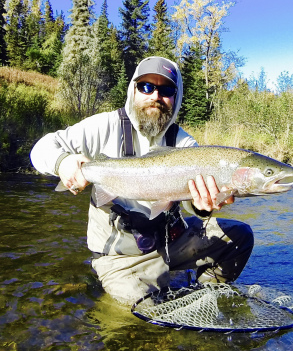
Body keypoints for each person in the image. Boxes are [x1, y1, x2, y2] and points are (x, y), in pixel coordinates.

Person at [30, 56, 254, 305]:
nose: (155, 96)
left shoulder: (186, 144)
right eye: (146, 87)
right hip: (121, 256)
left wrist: (203, 206)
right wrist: (63, 163)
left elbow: (193, 203)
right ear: (133, 90)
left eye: (166, 89)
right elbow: (41, 148)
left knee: (240, 236)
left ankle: (204, 298)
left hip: (172, 243)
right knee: (146, 317)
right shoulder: (103, 126)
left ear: (175, 98)